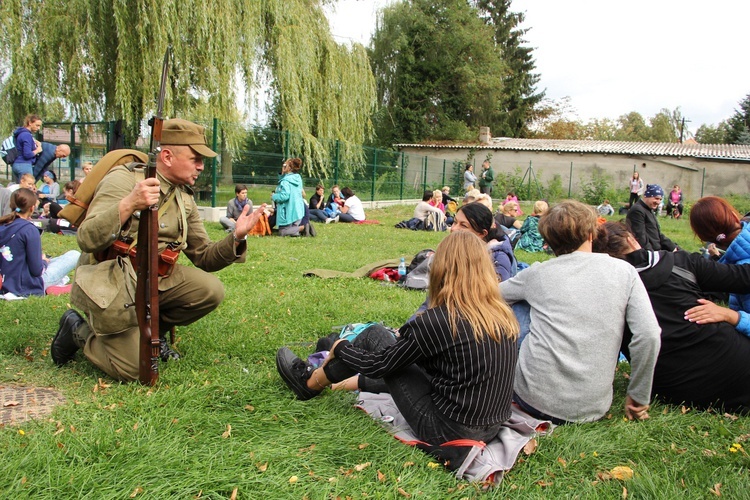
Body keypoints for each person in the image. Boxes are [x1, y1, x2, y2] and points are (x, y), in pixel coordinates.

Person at [49, 118, 267, 382]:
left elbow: (204, 256)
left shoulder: (184, 197)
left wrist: (237, 236)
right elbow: (87, 238)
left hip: (155, 278)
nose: (201, 166)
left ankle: (150, 333)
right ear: (167, 156)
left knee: (210, 290)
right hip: (113, 279)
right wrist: (129, 204)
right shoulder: (124, 180)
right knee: (134, 371)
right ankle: (77, 329)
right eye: (195, 158)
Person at [276, 231, 519, 445]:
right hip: (489, 426)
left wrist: (341, 348)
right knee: (400, 357)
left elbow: (378, 365)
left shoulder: (441, 320)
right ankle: (336, 381)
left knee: (375, 336)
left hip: (448, 432)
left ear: (441, 269)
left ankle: (309, 383)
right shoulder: (501, 314)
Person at [500, 199, 661, 424]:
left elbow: (491, 296)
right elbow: (649, 335)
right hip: (593, 409)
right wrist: (638, 395)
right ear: (591, 233)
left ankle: (497, 375)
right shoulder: (624, 272)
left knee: (518, 303)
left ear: (547, 241)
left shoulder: (537, 274)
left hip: (530, 399)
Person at [593, 221, 750, 413]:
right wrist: (743, 233)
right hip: (737, 367)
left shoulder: (602, 292)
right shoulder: (681, 262)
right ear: (631, 240)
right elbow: (744, 278)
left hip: (674, 389)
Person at [0, 188, 80, 296]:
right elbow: (37, 271)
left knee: (53, 260)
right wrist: (44, 262)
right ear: (32, 207)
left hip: (6, 282)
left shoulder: (3, 225)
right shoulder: (29, 229)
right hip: (26, 285)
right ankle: (57, 286)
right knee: (74, 255)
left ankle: (59, 284)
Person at [690, 196, 750, 337]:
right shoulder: (736, 262)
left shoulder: (743, 270)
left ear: (704, 238)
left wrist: (730, 316)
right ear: (735, 217)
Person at [626, 184, 677, 251]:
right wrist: (653, 256)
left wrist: (673, 247)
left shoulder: (648, 209)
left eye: (660, 199)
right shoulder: (637, 211)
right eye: (656, 198)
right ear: (647, 196)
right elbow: (640, 238)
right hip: (649, 254)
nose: (658, 202)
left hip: (657, 251)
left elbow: (657, 235)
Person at [272, 158, 306, 237]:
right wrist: (283, 173)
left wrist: (274, 196)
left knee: (282, 231)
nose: (283, 166)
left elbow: (285, 196)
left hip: (288, 212)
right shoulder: (297, 178)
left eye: (285, 165)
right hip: (298, 210)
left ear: (289, 167)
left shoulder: (285, 181)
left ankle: (303, 228)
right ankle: (298, 231)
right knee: (293, 232)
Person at [10, 114, 43, 182]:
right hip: (24, 165)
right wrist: (38, 150)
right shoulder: (26, 135)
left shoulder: (21, 133)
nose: (39, 128)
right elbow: (27, 154)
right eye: (37, 125)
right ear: (30, 123)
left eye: (40, 126)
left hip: (16, 164)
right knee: (27, 189)